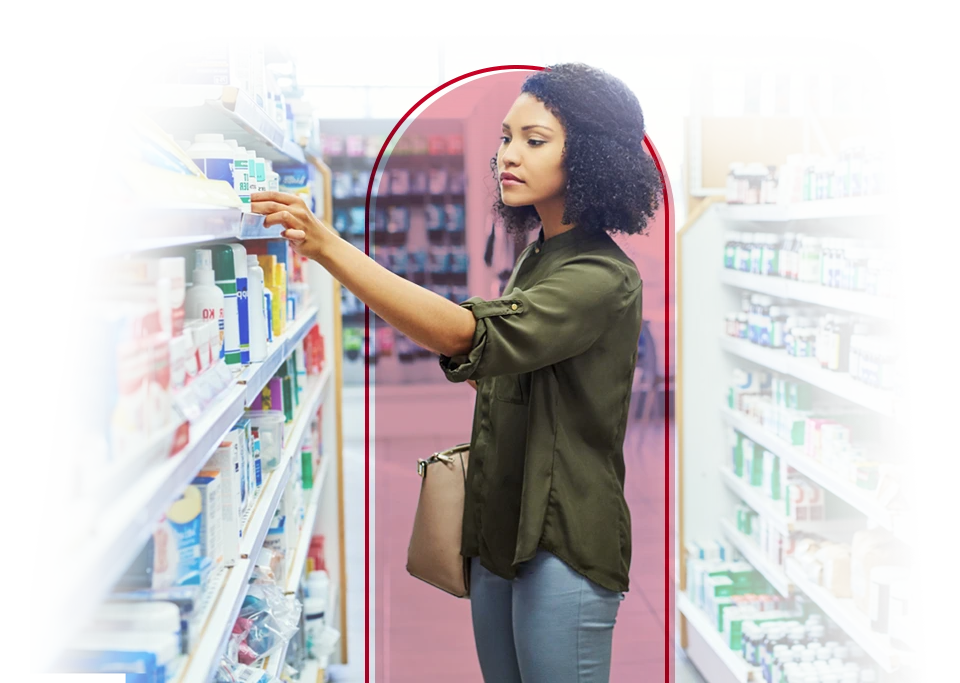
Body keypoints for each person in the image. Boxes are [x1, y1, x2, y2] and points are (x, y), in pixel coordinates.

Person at [251, 61, 663, 683]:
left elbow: (468, 334)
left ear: (591, 160)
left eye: (535, 140)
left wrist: (329, 247)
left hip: (563, 536)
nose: (509, 156)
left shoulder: (601, 276)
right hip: (499, 522)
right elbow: (501, 364)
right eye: (505, 137)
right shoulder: (539, 255)